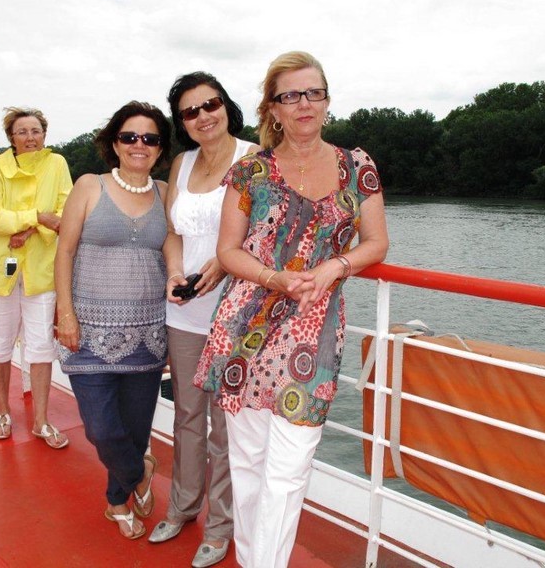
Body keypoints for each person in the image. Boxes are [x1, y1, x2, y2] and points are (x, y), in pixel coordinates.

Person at [194, 51, 389, 567]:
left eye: (313, 93)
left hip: (313, 330)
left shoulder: (357, 166)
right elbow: (228, 251)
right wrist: (274, 277)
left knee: (289, 468)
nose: (304, 104)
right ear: (273, 109)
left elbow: (376, 243)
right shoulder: (250, 171)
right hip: (244, 327)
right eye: (291, 95)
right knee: (249, 463)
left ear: (327, 101)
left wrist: (334, 268)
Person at [150, 72, 259, 568]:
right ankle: (182, 505)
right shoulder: (183, 162)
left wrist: (222, 263)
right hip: (185, 309)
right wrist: (175, 272)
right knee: (187, 415)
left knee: (225, 426)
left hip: (235, 310)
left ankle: (220, 526)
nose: (203, 116)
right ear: (182, 122)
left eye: (210, 104)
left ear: (226, 106)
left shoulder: (255, 158)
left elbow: (261, 233)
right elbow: (172, 231)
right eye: (190, 111)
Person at [55, 101, 171, 540]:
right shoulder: (89, 185)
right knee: (102, 428)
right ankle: (140, 473)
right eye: (129, 136)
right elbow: (64, 251)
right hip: (87, 330)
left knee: (135, 428)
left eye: (150, 138)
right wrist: (65, 313)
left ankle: (117, 501)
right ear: (115, 143)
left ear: (160, 148)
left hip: (148, 332)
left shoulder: (165, 192)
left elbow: (178, 244)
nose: (140, 145)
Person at [0, 106, 73, 449]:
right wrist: (37, 217)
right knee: (0, 342)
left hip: (41, 268)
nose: (30, 137)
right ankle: (3, 411)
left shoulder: (57, 164)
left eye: (36, 131)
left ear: (44, 134)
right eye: (22, 132)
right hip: (0, 265)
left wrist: (31, 229)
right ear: (11, 137)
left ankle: (41, 421)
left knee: (41, 345)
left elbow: (65, 211)